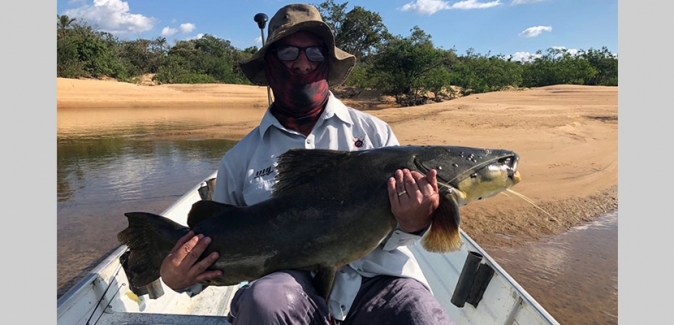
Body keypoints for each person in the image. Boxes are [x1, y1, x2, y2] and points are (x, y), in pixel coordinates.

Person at [159, 4, 454, 325]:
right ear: (269, 64)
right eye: (288, 53)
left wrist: (414, 223)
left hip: (379, 278)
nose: (302, 63)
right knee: (264, 302)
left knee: (420, 315)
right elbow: (222, 247)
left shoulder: (375, 134)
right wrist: (180, 279)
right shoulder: (239, 159)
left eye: (314, 53)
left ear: (327, 62)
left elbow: (402, 235)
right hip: (286, 285)